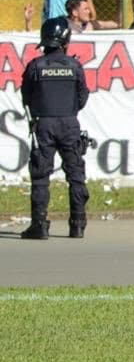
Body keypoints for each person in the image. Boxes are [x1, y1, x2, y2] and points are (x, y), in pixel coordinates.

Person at [19, 17, 91, 240]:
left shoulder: (35, 66)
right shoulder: (74, 66)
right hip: (69, 123)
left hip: (43, 123)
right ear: (65, 41)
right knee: (76, 175)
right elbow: (82, 97)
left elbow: (26, 97)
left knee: (41, 176)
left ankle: (39, 225)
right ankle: (77, 224)